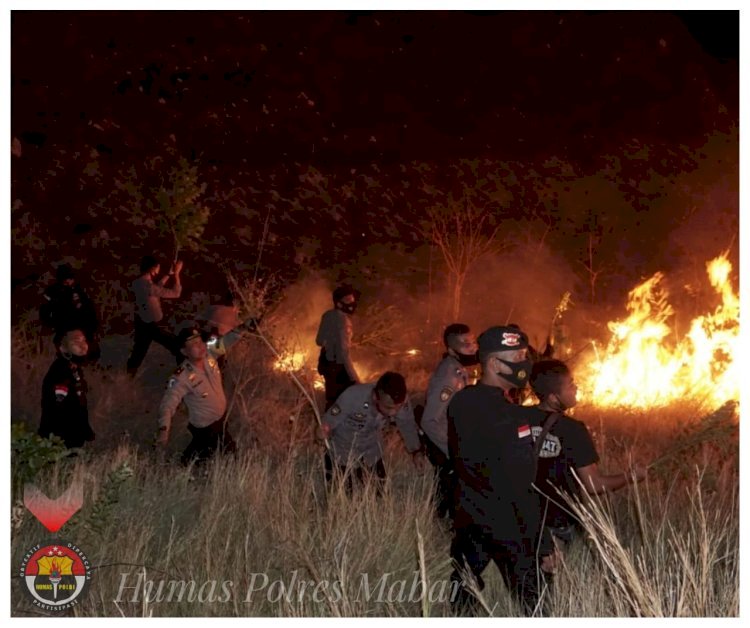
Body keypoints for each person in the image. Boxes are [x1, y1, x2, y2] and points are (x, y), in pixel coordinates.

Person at [447, 325, 555, 616]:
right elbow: (522, 483)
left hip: (469, 516)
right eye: (518, 356)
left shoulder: (461, 401)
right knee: (535, 601)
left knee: (463, 592)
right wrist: (542, 544)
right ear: (494, 363)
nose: (525, 362)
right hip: (509, 524)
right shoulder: (511, 417)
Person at [529, 359, 647, 543]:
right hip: (561, 524)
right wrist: (631, 476)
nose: (575, 388)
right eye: (570, 385)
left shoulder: (518, 418)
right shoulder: (572, 429)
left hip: (527, 521)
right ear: (553, 397)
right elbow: (594, 485)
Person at [156, 318, 255, 465]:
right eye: (193, 344)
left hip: (220, 419)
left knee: (200, 456)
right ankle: (174, 468)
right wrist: (163, 430)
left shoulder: (209, 354)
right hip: (206, 427)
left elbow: (227, 341)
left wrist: (244, 327)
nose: (200, 346)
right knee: (229, 455)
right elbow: (167, 405)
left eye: (200, 341)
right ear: (184, 351)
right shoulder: (181, 377)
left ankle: (181, 466)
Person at [320, 372, 426, 493]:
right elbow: (329, 421)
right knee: (346, 497)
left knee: (380, 493)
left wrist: (416, 451)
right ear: (376, 397)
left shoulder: (399, 400)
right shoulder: (353, 396)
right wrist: (323, 430)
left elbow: (407, 425)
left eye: (397, 408)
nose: (393, 413)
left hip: (371, 452)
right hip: (343, 453)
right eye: (388, 408)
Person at [419, 323, 478, 518]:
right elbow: (429, 420)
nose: (473, 348)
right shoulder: (449, 376)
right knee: (449, 488)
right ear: (451, 349)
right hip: (440, 440)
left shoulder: (458, 369)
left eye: (473, 342)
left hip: (450, 437)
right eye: (465, 344)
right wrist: (452, 450)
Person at [126, 255, 184, 376]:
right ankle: (185, 373)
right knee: (176, 346)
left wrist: (168, 274)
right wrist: (177, 274)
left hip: (142, 323)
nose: (158, 270)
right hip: (150, 326)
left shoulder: (139, 282)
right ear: (152, 268)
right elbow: (175, 293)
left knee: (138, 353)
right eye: (157, 268)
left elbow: (156, 288)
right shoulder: (147, 286)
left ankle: (127, 378)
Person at [38, 329, 95, 449]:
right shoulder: (61, 370)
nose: (82, 345)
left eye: (84, 340)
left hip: (70, 436)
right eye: (76, 342)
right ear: (63, 348)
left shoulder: (74, 368)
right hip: (60, 439)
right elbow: (59, 407)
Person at [39, 264, 100, 361]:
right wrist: (52, 324)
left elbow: (89, 308)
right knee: (63, 349)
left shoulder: (80, 290)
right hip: (63, 327)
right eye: (65, 279)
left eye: (70, 278)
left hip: (81, 326)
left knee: (87, 350)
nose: (68, 281)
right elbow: (45, 312)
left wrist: (92, 326)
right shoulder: (53, 291)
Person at [315, 285, 360, 410]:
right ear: (339, 303)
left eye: (353, 300)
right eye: (348, 301)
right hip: (339, 369)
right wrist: (354, 378)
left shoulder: (327, 315)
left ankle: (325, 426)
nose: (352, 304)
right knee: (346, 405)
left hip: (326, 365)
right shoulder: (344, 320)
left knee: (331, 402)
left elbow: (319, 341)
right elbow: (343, 352)